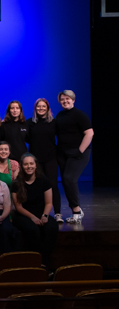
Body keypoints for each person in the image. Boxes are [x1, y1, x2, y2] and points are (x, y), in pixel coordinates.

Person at [11, 154, 59, 269]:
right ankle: (34, 262)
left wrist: (45, 216)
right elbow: (19, 207)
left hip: (41, 212)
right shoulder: (16, 183)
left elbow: (48, 203)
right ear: (22, 166)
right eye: (26, 164)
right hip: (23, 215)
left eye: (31, 164)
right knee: (33, 230)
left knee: (51, 228)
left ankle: (45, 261)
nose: (29, 166)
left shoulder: (43, 181)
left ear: (36, 165)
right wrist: (32, 217)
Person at [56, 90, 94, 224]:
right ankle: (75, 211)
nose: (65, 101)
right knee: (66, 182)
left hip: (78, 153)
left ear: (73, 100)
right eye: (62, 99)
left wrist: (80, 151)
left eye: (68, 99)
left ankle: (77, 211)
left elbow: (89, 133)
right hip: (63, 153)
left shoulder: (79, 115)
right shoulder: (60, 115)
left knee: (69, 179)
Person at [28, 98, 62, 222]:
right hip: (36, 160)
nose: (41, 108)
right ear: (35, 108)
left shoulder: (54, 123)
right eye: (38, 106)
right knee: (38, 186)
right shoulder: (30, 123)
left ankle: (57, 213)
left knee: (53, 185)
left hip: (50, 158)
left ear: (48, 108)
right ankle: (41, 213)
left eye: (43, 106)